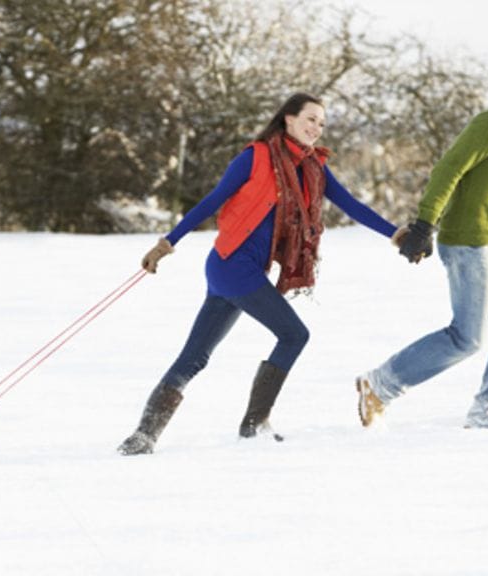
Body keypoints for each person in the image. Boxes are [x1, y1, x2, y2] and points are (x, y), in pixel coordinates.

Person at [118, 92, 403, 455]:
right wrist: (166, 244)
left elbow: (351, 205)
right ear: (288, 118)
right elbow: (212, 200)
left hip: (242, 270)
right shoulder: (256, 157)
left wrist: (396, 234)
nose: (316, 127)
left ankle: (143, 437)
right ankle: (254, 425)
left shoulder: (312, 167)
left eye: (321, 123)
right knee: (294, 334)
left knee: (196, 356)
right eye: (310, 119)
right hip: (232, 265)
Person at [356, 47, 488, 429]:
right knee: (466, 338)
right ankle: (379, 384)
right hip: (470, 243)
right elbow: (449, 169)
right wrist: (423, 225)